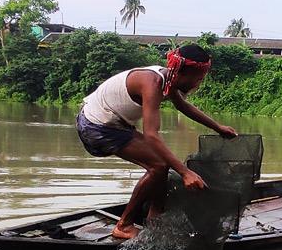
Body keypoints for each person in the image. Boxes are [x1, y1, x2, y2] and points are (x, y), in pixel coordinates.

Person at [76, 44, 238, 239]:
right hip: (98, 126)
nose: (198, 84)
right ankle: (124, 225)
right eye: (198, 78)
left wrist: (217, 127)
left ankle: (155, 218)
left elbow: (183, 105)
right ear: (184, 73)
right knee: (159, 165)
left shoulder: (167, 79)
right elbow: (151, 135)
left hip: (113, 123)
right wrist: (185, 172)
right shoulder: (152, 83)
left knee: (162, 164)